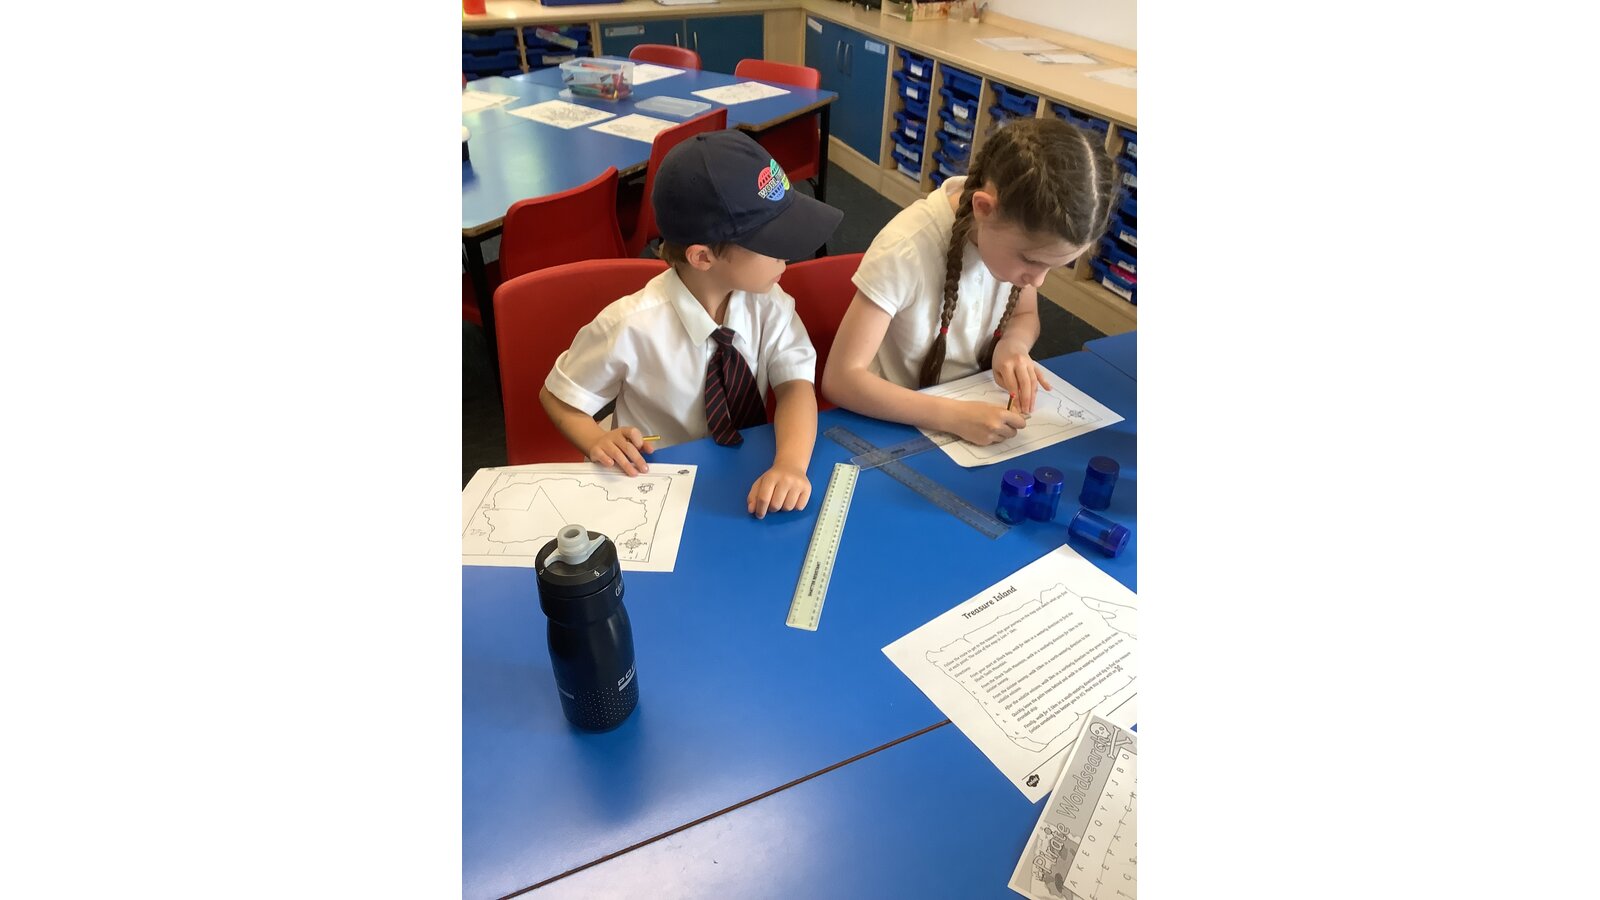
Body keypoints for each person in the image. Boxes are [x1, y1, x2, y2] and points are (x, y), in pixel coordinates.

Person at [540, 129, 843, 518]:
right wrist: (595, 439)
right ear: (702, 257)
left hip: (736, 474)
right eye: (772, 246)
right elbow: (558, 396)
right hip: (654, 483)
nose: (788, 256)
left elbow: (795, 386)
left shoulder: (771, 304)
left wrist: (790, 464)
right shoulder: (630, 325)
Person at [820, 117, 1117, 445]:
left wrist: (1012, 345)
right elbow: (841, 379)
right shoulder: (906, 248)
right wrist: (952, 416)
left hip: (971, 406)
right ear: (983, 209)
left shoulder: (1014, 235)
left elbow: (1024, 315)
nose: (1038, 281)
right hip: (899, 418)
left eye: (1055, 267)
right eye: (1032, 261)